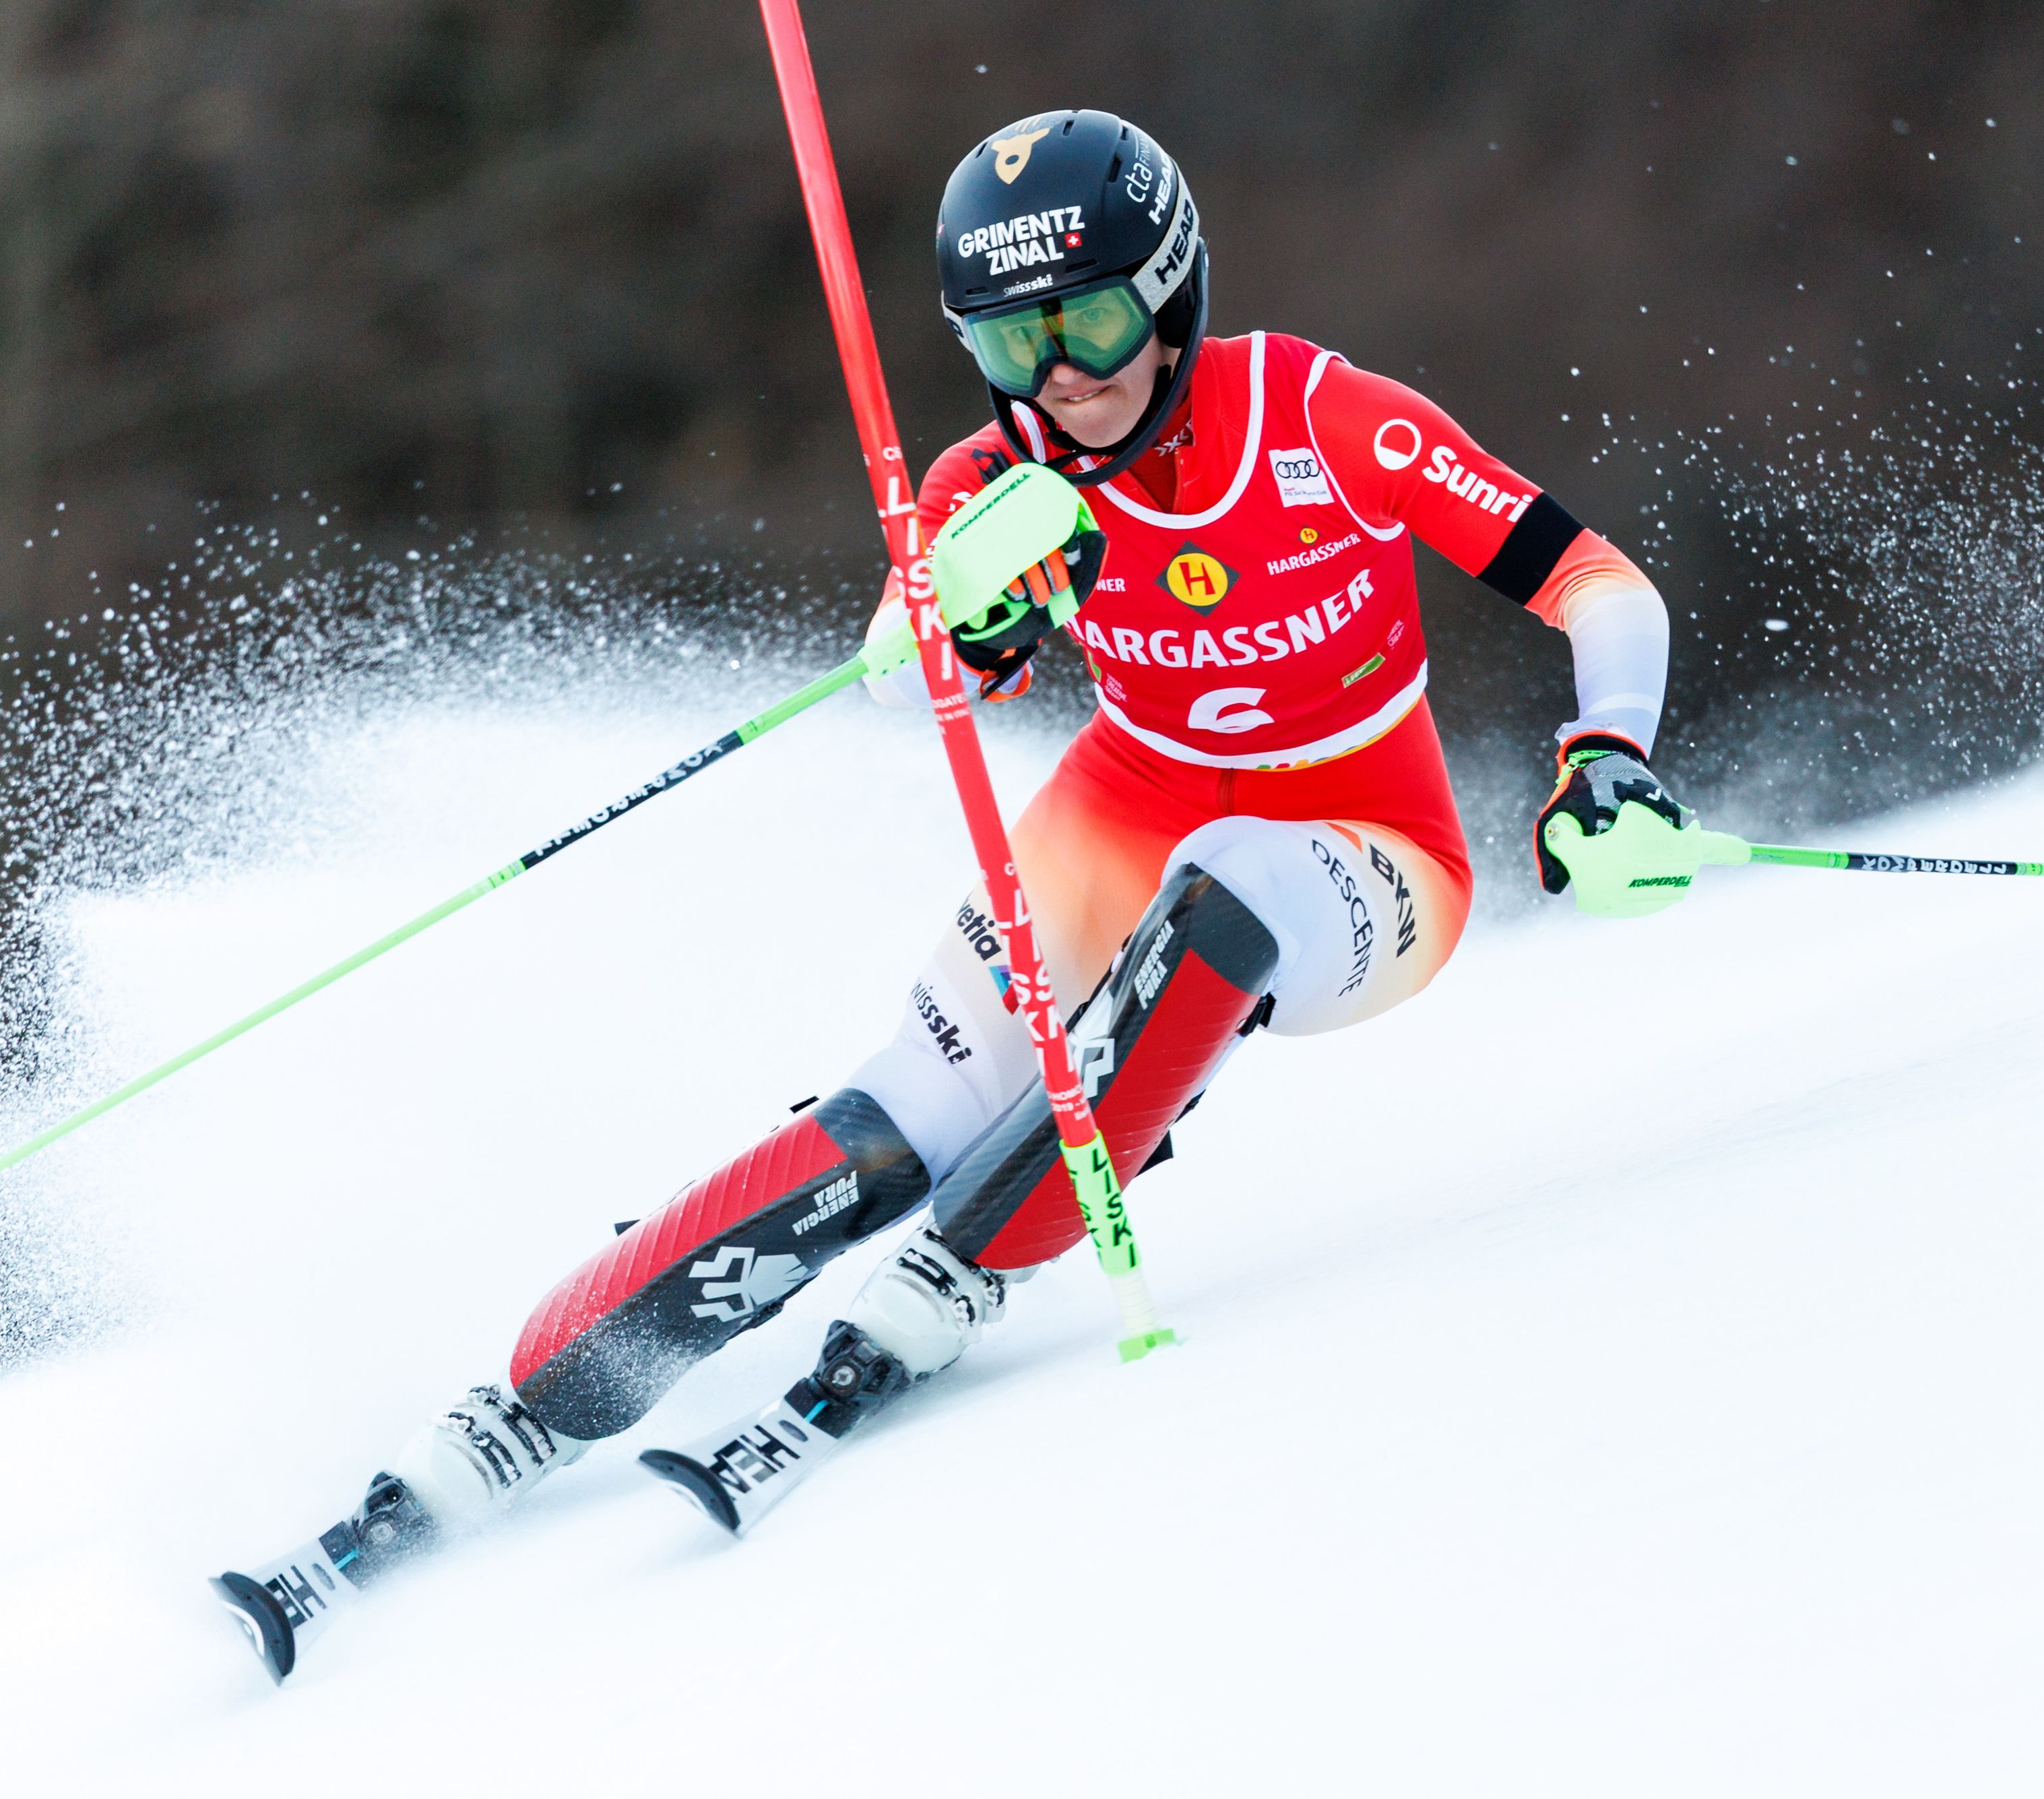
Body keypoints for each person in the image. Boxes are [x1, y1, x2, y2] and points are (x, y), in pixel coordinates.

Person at [213, 109, 1687, 1679]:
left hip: (1368, 841)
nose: (1062, 375)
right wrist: (962, 629)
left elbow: (1596, 581)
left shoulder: (1311, 410)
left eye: (1093, 322)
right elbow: (904, 678)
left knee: (1224, 898)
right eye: (1012, 340)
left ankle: (962, 1269)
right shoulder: (998, 477)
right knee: (894, 1121)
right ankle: (534, 1395)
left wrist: (1603, 755)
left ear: (1170, 290)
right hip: (1125, 798)